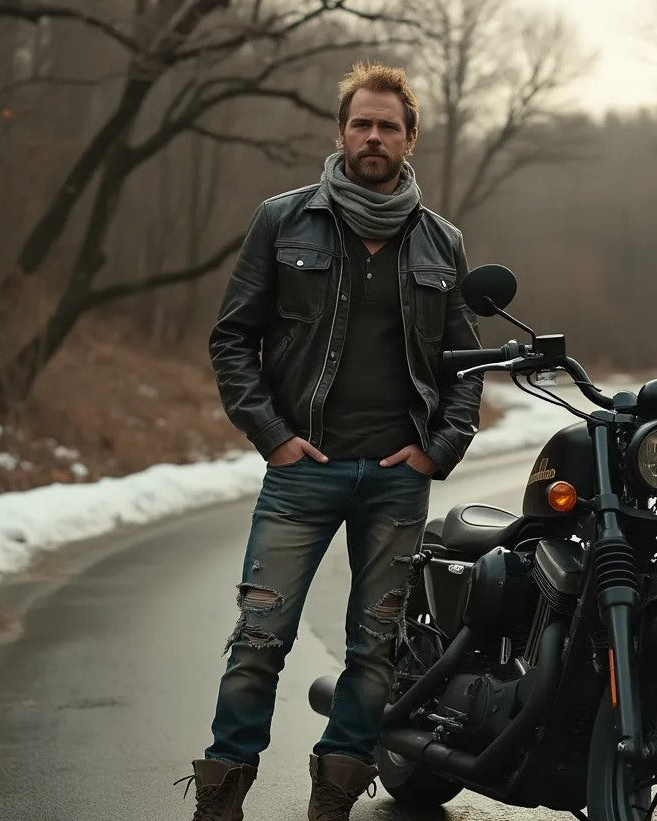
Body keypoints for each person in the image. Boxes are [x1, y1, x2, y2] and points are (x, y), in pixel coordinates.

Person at [178, 62, 483, 821]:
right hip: (302, 471)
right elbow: (232, 340)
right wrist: (273, 437)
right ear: (341, 132)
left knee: (376, 649)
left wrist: (436, 449)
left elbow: (466, 367)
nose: (372, 137)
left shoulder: (441, 242)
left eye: (387, 125)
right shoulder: (283, 221)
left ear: (410, 138)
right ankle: (221, 797)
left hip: (396, 477)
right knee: (258, 638)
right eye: (360, 123)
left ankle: (333, 800)